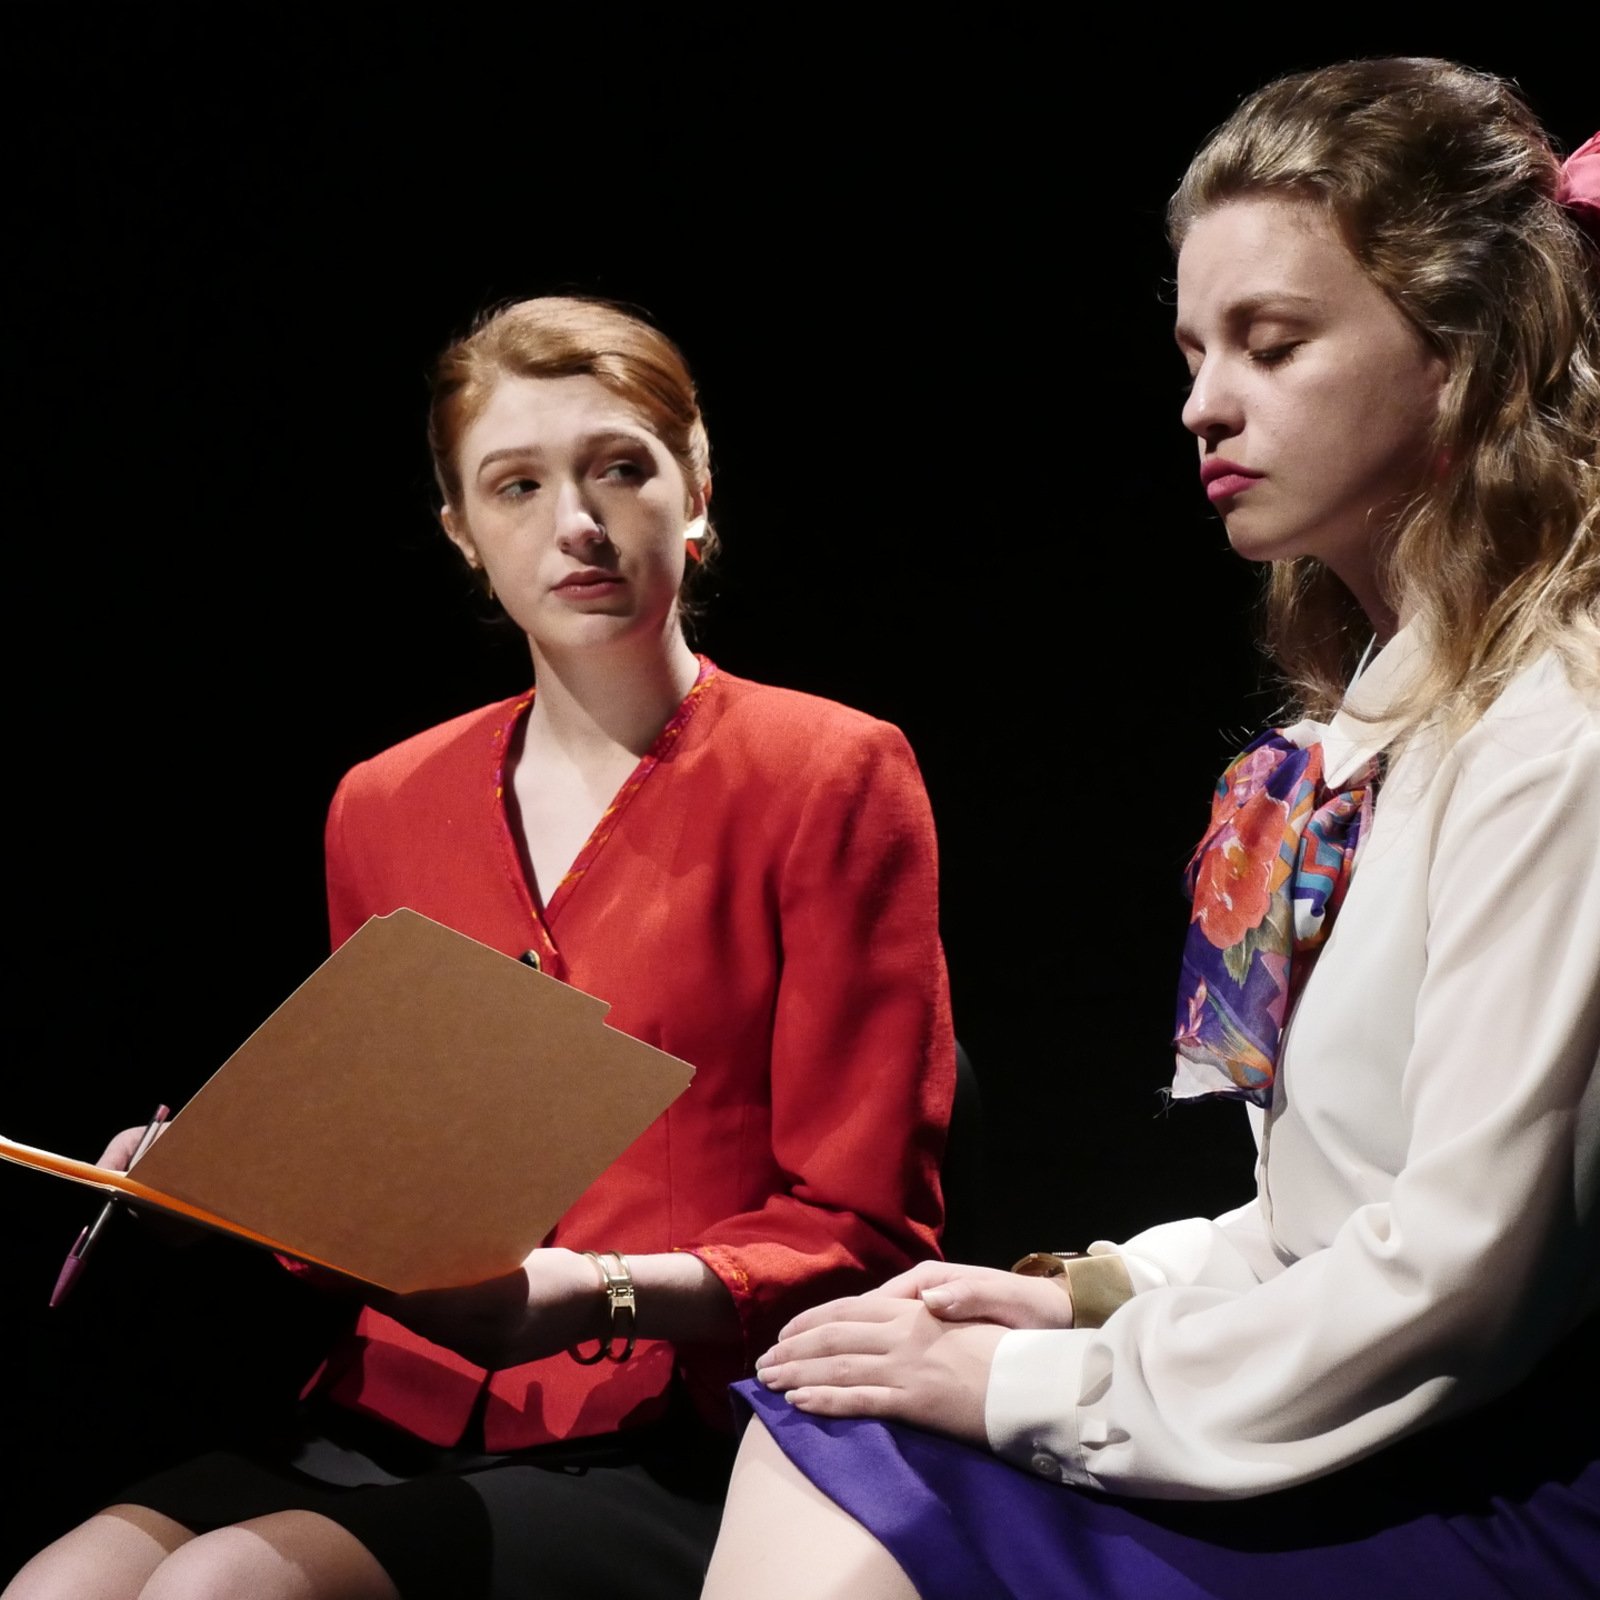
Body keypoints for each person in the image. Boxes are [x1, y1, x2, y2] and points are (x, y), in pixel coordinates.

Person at [701, 59, 1600, 1600]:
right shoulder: (1369, 732)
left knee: (864, 1454)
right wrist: (1085, 1296)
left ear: (1459, 354)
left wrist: (1033, 1388)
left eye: (1273, 343)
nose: (1204, 403)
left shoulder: (1557, 735)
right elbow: (1324, 1219)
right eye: (1194, 351)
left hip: (1521, 1477)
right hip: (1389, 1418)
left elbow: (1461, 1280)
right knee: (836, 1416)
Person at [6, 298, 955, 1599]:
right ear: (462, 529)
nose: (577, 523)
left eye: (619, 468)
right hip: (397, 1407)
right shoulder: (386, 803)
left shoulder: (829, 772)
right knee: (60, 1586)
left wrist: (591, 1292)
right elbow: (381, 1189)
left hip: (684, 1429)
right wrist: (219, 1187)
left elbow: (868, 1230)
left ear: (696, 489)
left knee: (224, 1589)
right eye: (518, 485)